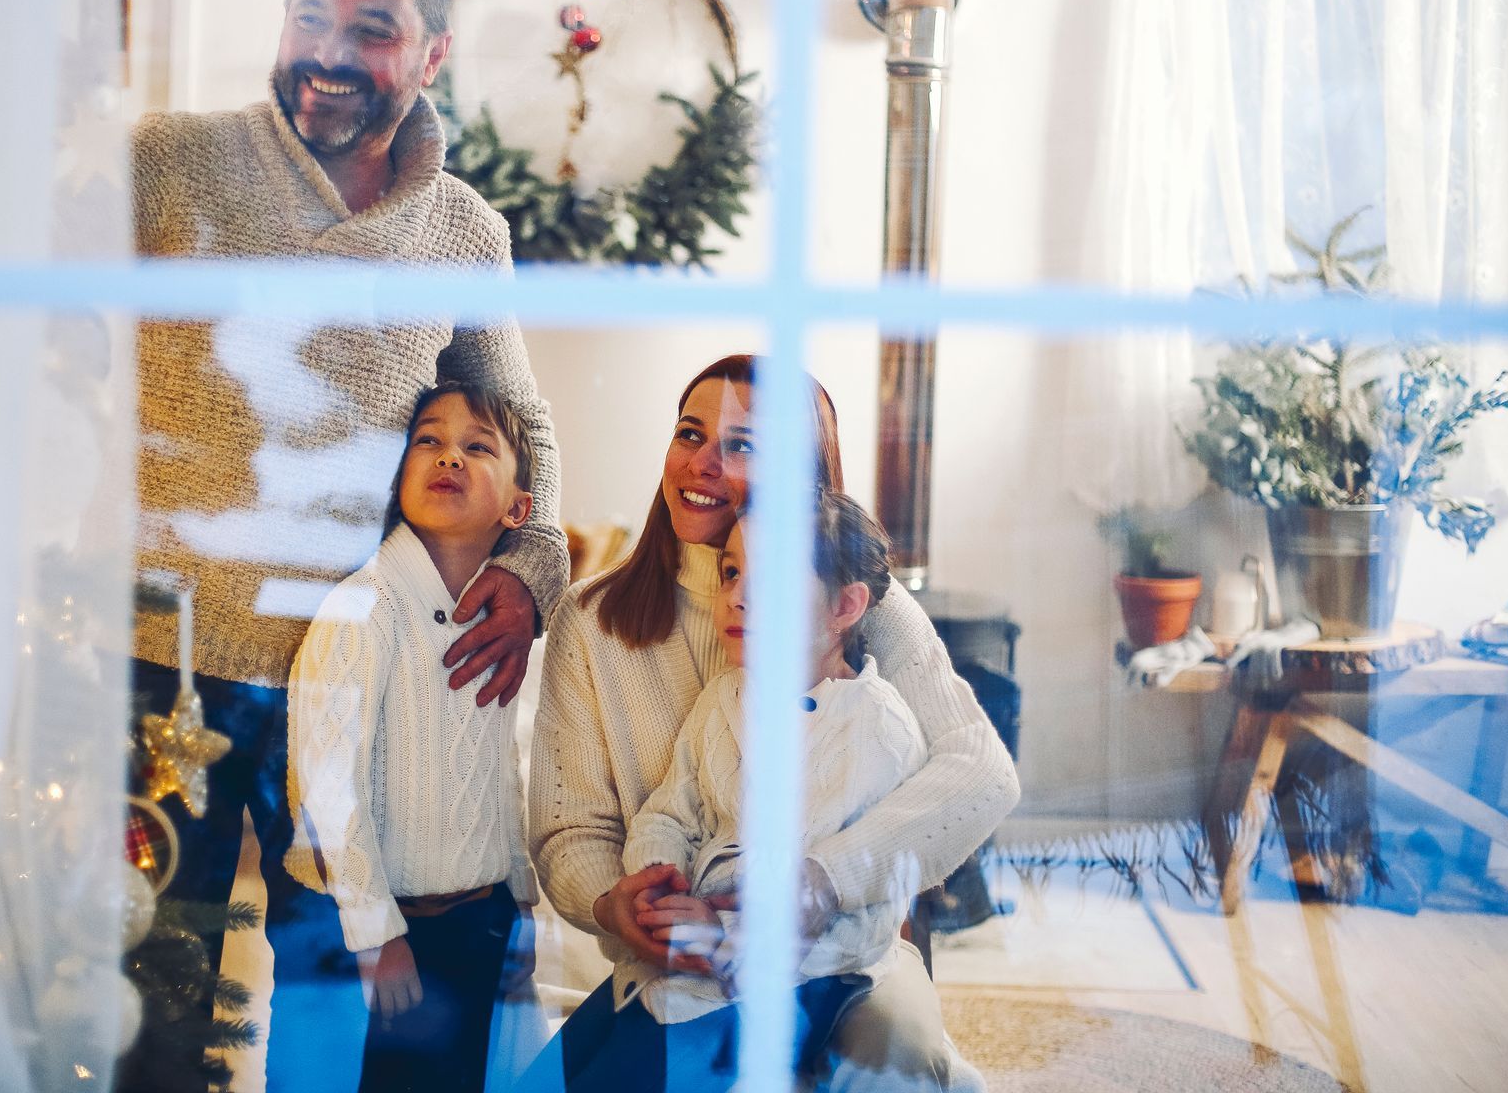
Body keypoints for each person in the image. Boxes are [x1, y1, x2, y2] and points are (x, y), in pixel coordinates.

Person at [128, 0, 568, 1089]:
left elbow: (527, 426)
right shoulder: (164, 163)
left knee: (334, 1008)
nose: (327, 52)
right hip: (154, 660)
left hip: (345, 684)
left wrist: (531, 573)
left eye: (370, 31)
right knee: (152, 1003)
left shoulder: (460, 231)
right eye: (309, 16)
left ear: (432, 58)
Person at [529, 355, 1018, 1091]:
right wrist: (622, 903)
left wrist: (824, 882)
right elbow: (570, 832)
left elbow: (983, 774)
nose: (703, 462)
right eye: (690, 433)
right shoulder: (591, 620)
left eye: (744, 445)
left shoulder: (862, 607)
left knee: (903, 1060)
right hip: (683, 957)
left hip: (847, 964)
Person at [536, 491, 929, 1092]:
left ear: (845, 606)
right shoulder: (725, 698)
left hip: (803, 976)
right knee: (557, 1072)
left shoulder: (876, 729)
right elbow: (671, 809)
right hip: (687, 952)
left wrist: (728, 940)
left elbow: (848, 901)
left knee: (649, 1069)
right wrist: (655, 881)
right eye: (731, 572)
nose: (738, 596)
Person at [287, 382, 541, 1093]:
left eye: (477, 446)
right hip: (398, 927)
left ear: (518, 508)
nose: (448, 456)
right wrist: (377, 932)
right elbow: (328, 787)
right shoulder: (363, 609)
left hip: (482, 917)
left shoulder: (499, 622)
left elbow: (500, 767)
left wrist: (520, 897)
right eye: (428, 440)